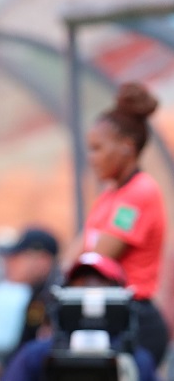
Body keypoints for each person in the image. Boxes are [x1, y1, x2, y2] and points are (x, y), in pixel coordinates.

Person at [66, 82, 169, 367]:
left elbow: (95, 260)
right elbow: (76, 252)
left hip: (134, 319)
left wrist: (67, 279)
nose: (92, 158)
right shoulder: (111, 193)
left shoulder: (139, 193)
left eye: (98, 148)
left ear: (126, 148)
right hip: (105, 313)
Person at [1, 252, 158, 381]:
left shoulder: (136, 361)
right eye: (81, 282)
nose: (89, 288)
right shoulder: (36, 356)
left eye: (99, 282)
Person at [0, 227, 61, 380]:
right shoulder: (38, 294)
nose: (8, 263)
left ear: (42, 260)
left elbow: (38, 357)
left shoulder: (55, 297)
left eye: (17, 256)